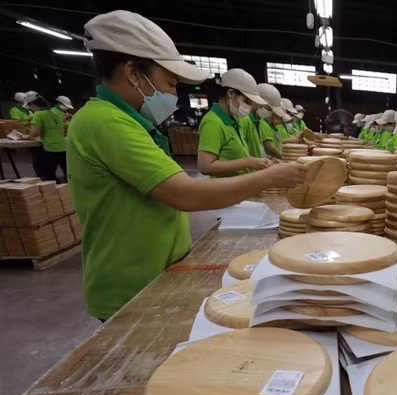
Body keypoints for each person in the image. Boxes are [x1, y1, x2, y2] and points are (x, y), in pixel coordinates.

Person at [67, 10, 304, 321]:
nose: (172, 94)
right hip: (130, 286)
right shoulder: (106, 123)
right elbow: (186, 194)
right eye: (170, 82)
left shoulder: (130, 122)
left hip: (156, 271)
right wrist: (270, 176)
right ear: (133, 73)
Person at [197, 68, 269, 177]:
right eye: (246, 102)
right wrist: (248, 162)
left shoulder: (233, 120)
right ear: (231, 93)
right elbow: (206, 166)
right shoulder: (212, 122)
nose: (248, 108)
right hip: (224, 190)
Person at [21, 95, 69, 181]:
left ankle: (55, 192)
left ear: (33, 104)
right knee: (68, 174)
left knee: (49, 176)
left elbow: (36, 132)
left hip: (50, 149)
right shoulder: (54, 114)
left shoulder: (38, 114)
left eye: (30, 106)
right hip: (62, 147)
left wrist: (25, 136)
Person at [256, 83, 288, 158]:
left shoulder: (259, 122)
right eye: (269, 109)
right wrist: (281, 156)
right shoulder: (262, 124)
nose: (269, 113)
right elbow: (268, 146)